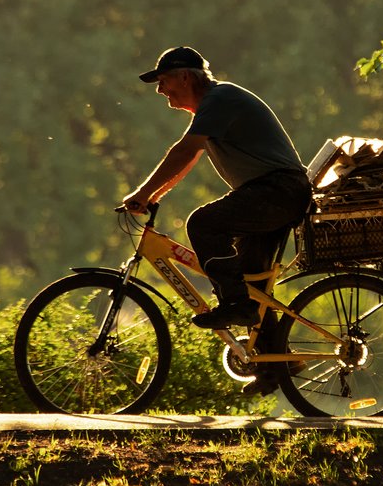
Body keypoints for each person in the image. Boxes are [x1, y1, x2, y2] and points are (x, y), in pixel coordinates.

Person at [122, 47, 312, 336]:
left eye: (163, 81)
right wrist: (154, 195)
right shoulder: (213, 105)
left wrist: (142, 192)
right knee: (252, 286)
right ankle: (272, 367)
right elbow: (192, 154)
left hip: (277, 191)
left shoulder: (219, 98)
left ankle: (235, 304)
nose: (160, 90)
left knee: (202, 223)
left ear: (185, 77)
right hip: (275, 194)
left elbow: (184, 151)